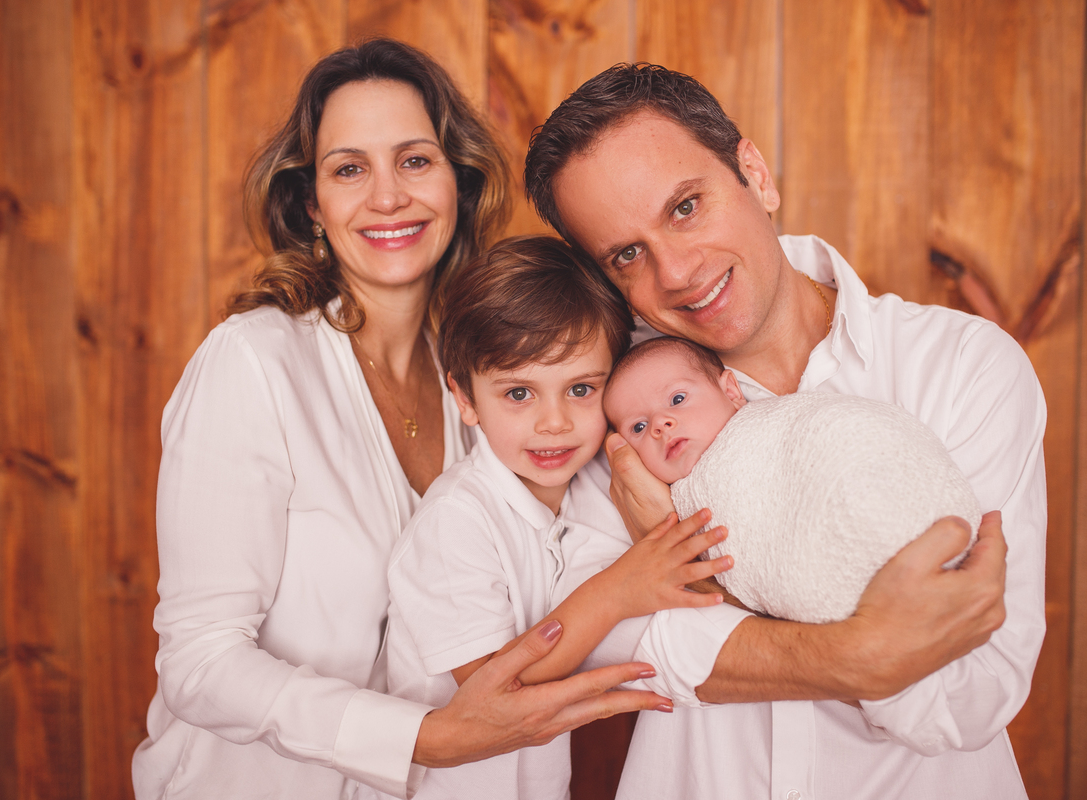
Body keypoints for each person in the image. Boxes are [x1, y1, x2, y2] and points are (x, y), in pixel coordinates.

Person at [131, 42, 668, 800]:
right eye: (350, 169)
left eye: (415, 160)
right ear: (313, 202)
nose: (388, 197)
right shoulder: (252, 364)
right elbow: (200, 663)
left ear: (460, 180)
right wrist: (427, 738)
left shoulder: (496, 375)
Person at [524, 63, 1045, 798]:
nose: (675, 271)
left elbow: (973, 692)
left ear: (754, 174)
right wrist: (864, 651)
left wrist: (686, 571)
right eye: (627, 255)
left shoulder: (960, 366)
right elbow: (616, 642)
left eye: (685, 207)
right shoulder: (614, 404)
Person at [385, 236, 733, 799]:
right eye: (519, 393)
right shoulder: (455, 522)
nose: (554, 423)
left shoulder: (587, 494)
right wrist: (618, 592)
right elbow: (495, 696)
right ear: (465, 398)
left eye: (580, 389)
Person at [603, 335, 982, 624]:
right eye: (638, 426)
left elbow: (847, 437)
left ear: (731, 392)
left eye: (678, 399)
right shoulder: (665, 505)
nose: (660, 425)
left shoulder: (778, 423)